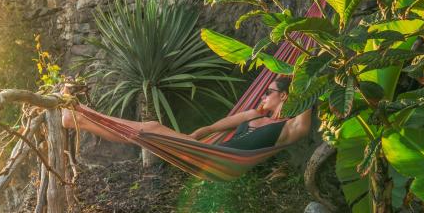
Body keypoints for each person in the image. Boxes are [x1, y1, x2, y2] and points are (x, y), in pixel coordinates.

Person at [62, 77, 312, 150]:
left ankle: (80, 114)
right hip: (209, 151)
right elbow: (213, 129)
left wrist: (311, 72)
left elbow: (306, 103)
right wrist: (193, 139)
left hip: (224, 160)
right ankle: (79, 118)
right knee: (147, 133)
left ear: (284, 96)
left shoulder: (288, 127)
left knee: (149, 129)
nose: (263, 96)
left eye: (268, 92)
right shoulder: (253, 115)